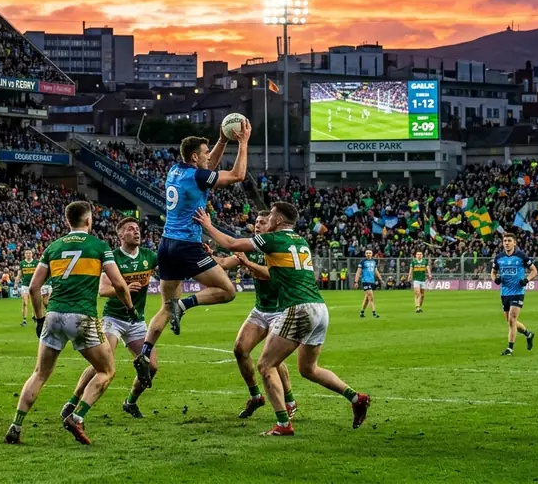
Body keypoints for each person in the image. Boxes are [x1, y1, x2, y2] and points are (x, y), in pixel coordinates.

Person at [194, 202, 370, 437]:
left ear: (277, 221)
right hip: (319, 308)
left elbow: (231, 244)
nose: (265, 222)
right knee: (309, 369)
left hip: (298, 308)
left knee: (266, 365)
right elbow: (272, 272)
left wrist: (208, 224)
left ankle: (283, 423)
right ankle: (356, 398)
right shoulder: (300, 241)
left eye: (270, 218)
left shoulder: (273, 239)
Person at [5, 201, 138, 446]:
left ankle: (16, 425)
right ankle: (77, 417)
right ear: (88, 221)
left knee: (40, 373)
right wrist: (130, 309)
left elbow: (34, 287)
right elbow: (119, 284)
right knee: (106, 370)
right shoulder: (99, 246)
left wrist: (39, 318)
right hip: (82, 316)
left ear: (68, 222)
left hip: (54, 315)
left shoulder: (53, 247)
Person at [133, 121, 251, 386]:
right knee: (227, 291)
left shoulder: (176, 170)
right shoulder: (197, 176)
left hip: (166, 245)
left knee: (164, 307)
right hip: (187, 245)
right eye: (206, 152)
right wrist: (242, 143)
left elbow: (206, 170)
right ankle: (183, 305)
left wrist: (222, 140)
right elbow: (237, 175)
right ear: (195, 157)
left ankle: (145, 352)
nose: (209, 156)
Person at [62, 216, 158, 420]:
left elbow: (172, 267)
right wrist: (123, 290)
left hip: (137, 320)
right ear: (121, 235)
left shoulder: (150, 256)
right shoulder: (112, 257)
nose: (136, 231)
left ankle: (130, 402)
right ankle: (73, 401)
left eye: (137, 228)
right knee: (103, 363)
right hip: (113, 318)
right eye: (130, 229)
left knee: (151, 366)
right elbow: (103, 289)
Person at [223, 211, 297, 420]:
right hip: (260, 310)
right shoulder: (253, 248)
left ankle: (290, 401)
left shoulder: (277, 247)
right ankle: (256, 396)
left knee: (272, 358)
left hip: (280, 310)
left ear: (272, 226)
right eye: (256, 222)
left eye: (263, 222)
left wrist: (245, 262)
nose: (257, 225)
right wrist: (208, 256)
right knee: (240, 349)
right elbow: (224, 263)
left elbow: (268, 273)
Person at [492, 233, 537, 356]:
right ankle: (528, 334)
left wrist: (526, 280)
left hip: (518, 292)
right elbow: (493, 272)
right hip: (505, 293)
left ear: (514, 243)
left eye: (509, 240)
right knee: (510, 321)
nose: (506, 242)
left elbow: (534, 270)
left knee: (512, 318)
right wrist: (495, 279)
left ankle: (510, 349)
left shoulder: (521, 256)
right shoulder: (499, 258)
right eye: (505, 240)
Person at [14, 249, 40, 327]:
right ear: (24, 255)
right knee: (25, 303)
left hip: (34, 285)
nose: (28, 254)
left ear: (32, 254)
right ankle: (24, 320)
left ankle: (35, 316)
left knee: (34, 303)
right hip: (25, 285)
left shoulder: (36, 263)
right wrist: (16, 283)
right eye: (26, 253)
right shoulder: (22, 263)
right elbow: (19, 275)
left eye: (29, 253)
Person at [355, 249, 382, 318]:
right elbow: (358, 272)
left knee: (367, 298)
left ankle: (362, 312)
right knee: (371, 297)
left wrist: (380, 279)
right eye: (367, 253)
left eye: (369, 253)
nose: (368, 254)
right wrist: (356, 281)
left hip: (372, 281)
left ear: (372, 254)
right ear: (365, 254)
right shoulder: (362, 262)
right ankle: (374, 313)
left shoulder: (373, 262)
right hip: (365, 281)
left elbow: (376, 271)